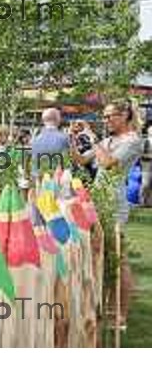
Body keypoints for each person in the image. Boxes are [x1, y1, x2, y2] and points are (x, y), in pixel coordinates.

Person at [72, 100, 144, 326]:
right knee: (104, 254)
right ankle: (109, 306)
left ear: (125, 116)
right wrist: (72, 139)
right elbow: (82, 160)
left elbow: (108, 163)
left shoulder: (133, 141)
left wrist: (92, 137)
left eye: (110, 116)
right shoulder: (109, 140)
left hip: (114, 203)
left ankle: (121, 315)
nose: (106, 120)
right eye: (104, 117)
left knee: (118, 257)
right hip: (99, 200)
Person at [31, 108, 70, 176]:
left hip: (39, 179)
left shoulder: (34, 140)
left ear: (44, 120)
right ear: (58, 119)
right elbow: (66, 163)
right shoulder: (64, 138)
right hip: (56, 180)